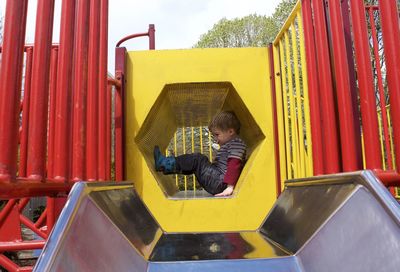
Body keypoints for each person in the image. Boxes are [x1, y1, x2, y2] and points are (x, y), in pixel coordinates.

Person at [154, 111, 247, 196]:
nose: (215, 138)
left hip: (221, 183)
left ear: (230, 131)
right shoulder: (230, 144)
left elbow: (234, 164)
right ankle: (166, 166)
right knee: (196, 163)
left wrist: (230, 187)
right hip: (218, 181)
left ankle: (165, 164)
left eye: (217, 134)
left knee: (198, 159)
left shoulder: (236, 143)